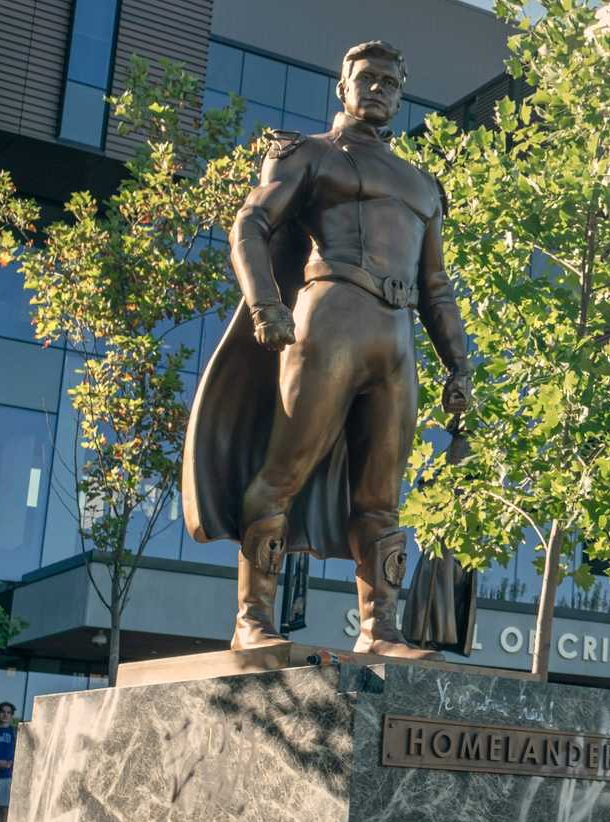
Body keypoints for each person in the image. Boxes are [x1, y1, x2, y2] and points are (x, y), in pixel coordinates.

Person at [182, 39, 473, 658]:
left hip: (396, 340)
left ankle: (381, 630)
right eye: (365, 78)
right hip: (328, 319)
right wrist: (266, 304)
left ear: (401, 95)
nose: (378, 89)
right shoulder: (309, 154)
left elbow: (437, 289)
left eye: (390, 82)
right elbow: (250, 225)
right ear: (342, 88)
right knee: (282, 473)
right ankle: (251, 620)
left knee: (381, 496)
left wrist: (460, 364)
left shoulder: (423, 185)